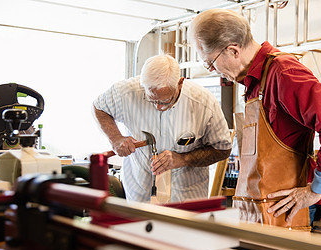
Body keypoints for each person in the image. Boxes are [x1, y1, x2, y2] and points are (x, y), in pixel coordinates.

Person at [189, 9, 321, 226]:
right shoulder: (256, 81)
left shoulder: (283, 72)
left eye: (210, 63)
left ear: (233, 50)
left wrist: (315, 190)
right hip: (262, 207)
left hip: (287, 209)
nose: (213, 71)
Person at [93, 54, 232, 202]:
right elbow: (99, 108)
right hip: (140, 195)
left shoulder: (203, 102)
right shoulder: (127, 91)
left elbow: (222, 149)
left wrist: (183, 159)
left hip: (186, 198)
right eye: (152, 99)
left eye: (165, 101)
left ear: (180, 83)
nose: (158, 107)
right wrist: (115, 138)